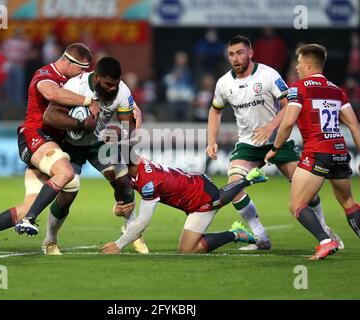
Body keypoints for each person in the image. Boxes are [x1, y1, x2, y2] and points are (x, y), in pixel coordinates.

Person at [0, 43, 99, 256]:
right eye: (82, 68)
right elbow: (51, 93)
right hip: (34, 136)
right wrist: (89, 101)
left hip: (50, 143)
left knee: (35, 201)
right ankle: (30, 220)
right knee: (66, 172)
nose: (84, 73)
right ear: (69, 62)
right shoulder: (45, 74)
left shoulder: (73, 81)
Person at [206, 35, 342, 250]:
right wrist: (211, 140)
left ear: (250, 53)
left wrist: (271, 127)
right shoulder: (224, 83)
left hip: (279, 141)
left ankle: (324, 230)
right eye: (231, 54)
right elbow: (215, 110)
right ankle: (261, 237)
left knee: (307, 191)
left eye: (240, 53)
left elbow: (289, 104)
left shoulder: (269, 75)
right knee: (234, 186)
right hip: (248, 144)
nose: (235, 58)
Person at [39, 56, 149, 255]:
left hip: (99, 143)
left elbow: (129, 127)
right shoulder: (75, 86)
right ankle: (50, 240)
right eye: (108, 84)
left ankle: (132, 231)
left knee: (123, 182)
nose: (112, 88)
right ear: (96, 77)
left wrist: (121, 134)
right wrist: (80, 125)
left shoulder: (122, 92)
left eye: (115, 84)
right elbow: (50, 116)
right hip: (69, 145)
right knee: (68, 194)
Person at [265, 44, 360, 260]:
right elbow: (354, 126)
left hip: (317, 151)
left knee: (297, 204)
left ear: (308, 64)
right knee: (349, 203)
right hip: (338, 151)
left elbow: (288, 123)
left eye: (299, 63)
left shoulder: (299, 89)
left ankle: (325, 241)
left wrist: (275, 148)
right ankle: (328, 240)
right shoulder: (337, 90)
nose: (297, 67)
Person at [101, 154, 267, 254]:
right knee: (218, 197)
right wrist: (118, 208)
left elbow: (143, 221)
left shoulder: (149, 182)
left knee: (187, 249)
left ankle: (236, 234)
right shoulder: (137, 167)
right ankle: (248, 180)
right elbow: (127, 194)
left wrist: (118, 245)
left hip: (201, 200)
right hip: (196, 184)